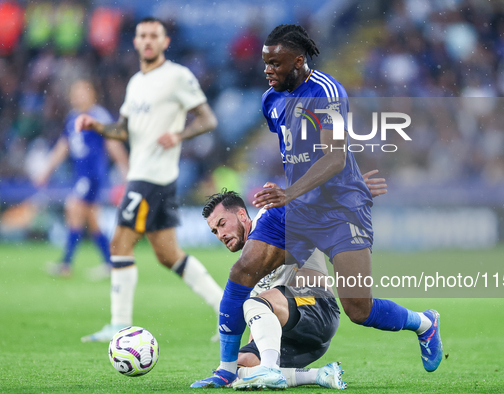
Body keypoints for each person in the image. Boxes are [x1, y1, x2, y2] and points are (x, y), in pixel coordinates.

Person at [193, 24, 443, 389]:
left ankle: (424, 323)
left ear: (298, 61)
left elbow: (336, 157)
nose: (268, 71)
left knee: (359, 309)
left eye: (275, 64)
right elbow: (296, 152)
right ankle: (226, 369)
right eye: (265, 63)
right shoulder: (270, 100)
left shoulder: (328, 93)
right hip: (295, 207)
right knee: (242, 271)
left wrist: (291, 192)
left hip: (340, 209)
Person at [76, 17, 223, 342]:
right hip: (148, 176)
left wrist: (179, 135)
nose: (147, 40)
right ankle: (226, 312)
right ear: (137, 41)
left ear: (165, 42)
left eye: (154, 35)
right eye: (142, 35)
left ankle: (118, 325)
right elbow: (122, 130)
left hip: (150, 177)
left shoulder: (177, 76)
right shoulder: (136, 83)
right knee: (169, 255)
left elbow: (208, 118)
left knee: (120, 243)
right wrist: (96, 126)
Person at [200, 189, 346, 389]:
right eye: (215, 231)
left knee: (254, 303)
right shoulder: (249, 267)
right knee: (238, 370)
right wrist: (254, 350)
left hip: (317, 306)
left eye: (222, 224)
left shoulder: (270, 219)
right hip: (296, 338)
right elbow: (260, 320)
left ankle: (269, 369)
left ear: (242, 215)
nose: (220, 234)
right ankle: (320, 375)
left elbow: (304, 204)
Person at [35, 79, 128, 280]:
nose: (78, 96)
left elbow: (113, 144)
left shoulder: (99, 116)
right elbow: (63, 146)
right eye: (75, 92)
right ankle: (110, 263)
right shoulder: (72, 118)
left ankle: (66, 264)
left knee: (73, 208)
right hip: (81, 176)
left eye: (83, 91)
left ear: (92, 94)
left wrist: (124, 170)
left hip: (92, 176)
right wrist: (47, 170)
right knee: (92, 220)